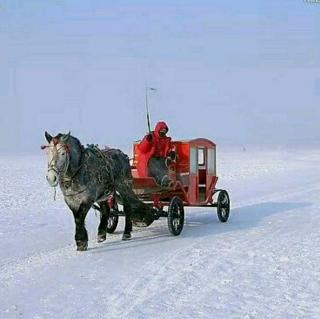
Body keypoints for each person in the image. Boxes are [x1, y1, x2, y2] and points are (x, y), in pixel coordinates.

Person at [137, 121, 175, 187]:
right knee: (154, 161)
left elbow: (168, 150)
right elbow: (142, 149)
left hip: (160, 161)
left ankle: (164, 179)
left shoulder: (166, 140)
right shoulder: (151, 137)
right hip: (149, 162)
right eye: (162, 130)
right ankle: (162, 179)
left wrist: (171, 153)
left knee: (165, 161)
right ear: (158, 129)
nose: (163, 132)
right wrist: (147, 141)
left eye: (165, 131)